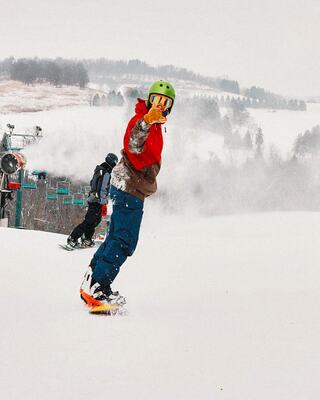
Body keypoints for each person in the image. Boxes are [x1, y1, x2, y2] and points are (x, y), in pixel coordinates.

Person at [80, 80, 175, 307]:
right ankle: (99, 287)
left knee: (115, 237)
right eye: (157, 100)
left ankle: (92, 280)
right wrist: (146, 121)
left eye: (165, 102)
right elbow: (133, 142)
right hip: (130, 188)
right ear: (150, 100)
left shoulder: (155, 124)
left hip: (129, 186)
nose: (160, 106)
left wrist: (151, 121)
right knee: (124, 240)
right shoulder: (142, 120)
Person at [67, 153, 118, 249]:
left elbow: (92, 183)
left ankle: (87, 239)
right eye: (115, 163)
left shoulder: (99, 170)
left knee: (95, 221)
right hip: (97, 201)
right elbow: (103, 188)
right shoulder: (106, 172)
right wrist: (103, 202)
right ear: (111, 162)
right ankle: (73, 238)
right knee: (89, 221)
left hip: (93, 199)